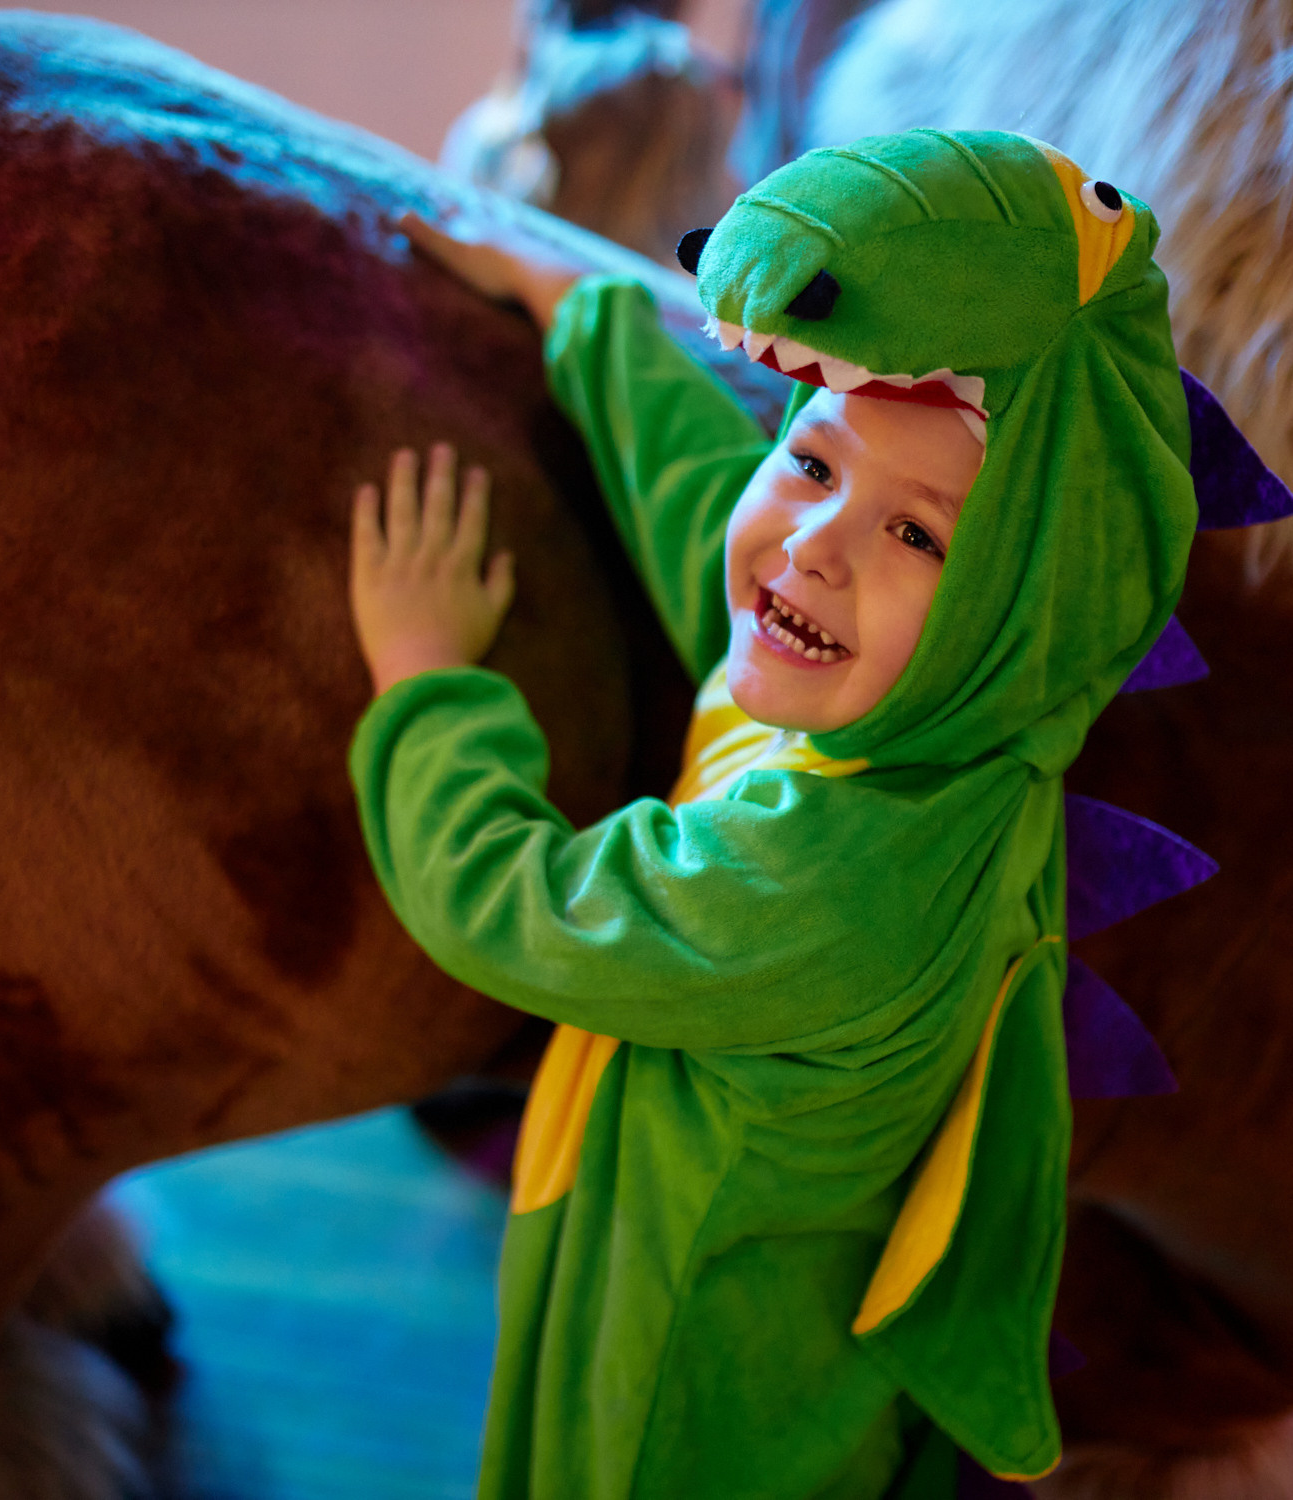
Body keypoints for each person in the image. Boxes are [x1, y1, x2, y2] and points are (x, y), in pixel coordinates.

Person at [346, 129, 1197, 1498]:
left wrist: (426, 679)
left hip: (693, 1386)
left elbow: (513, 906)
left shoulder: (829, 879)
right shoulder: (943, 720)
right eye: (810, 464)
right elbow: (710, 522)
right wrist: (586, 314)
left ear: (1009, 617)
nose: (814, 546)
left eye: (916, 534)